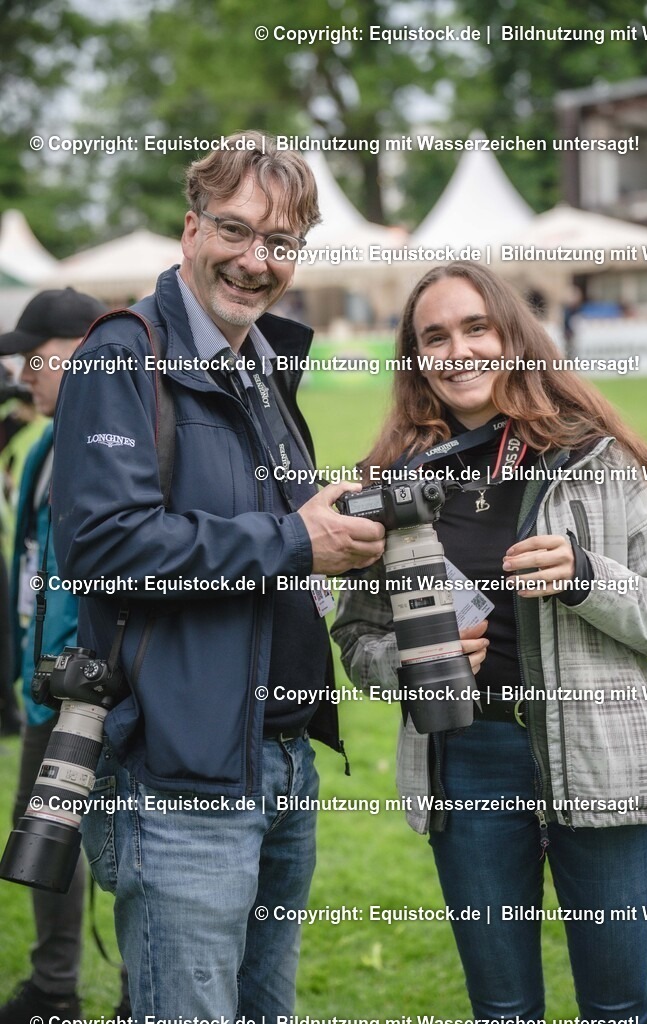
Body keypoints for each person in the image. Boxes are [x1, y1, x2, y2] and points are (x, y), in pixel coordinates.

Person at [50, 130, 385, 1019]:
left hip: (279, 761)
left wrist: (335, 524)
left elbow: (269, 536)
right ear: (190, 229)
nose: (254, 260)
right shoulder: (123, 354)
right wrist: (291, 540)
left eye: (280, 244)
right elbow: (105, 548)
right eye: (235, 231)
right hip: (180, 773)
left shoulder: (264, 365)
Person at [331, 261, 647, 1023]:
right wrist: (411, 667)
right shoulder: (392, 482)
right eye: (435, 337)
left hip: (602, 758)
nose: (457, 351)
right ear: (416, 357)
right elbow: (356, 634)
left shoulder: (598, 461)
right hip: (469, 761)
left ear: (512, 337)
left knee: (618, 1008)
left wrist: (588, 577)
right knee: (501, 1008)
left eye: (474, 328)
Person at [0, 289, 130, 1022]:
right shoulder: (46, 440)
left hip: (96, 687)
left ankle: (141, 994)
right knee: (40, 837)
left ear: (82, 353)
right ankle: (53, 989)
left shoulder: (115, 436)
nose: (24, 376)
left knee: (119, 842)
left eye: (37, 359)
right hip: (45, 687)